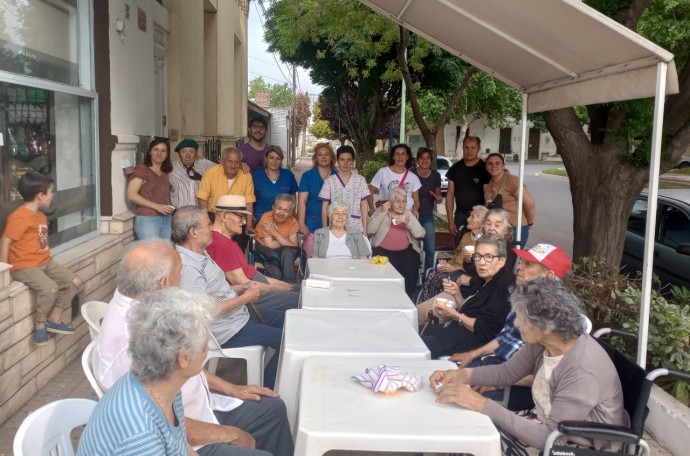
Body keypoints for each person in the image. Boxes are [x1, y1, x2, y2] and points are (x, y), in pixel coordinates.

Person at [91, 239, 293, 456]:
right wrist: (232, 434)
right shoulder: (137, 336)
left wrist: (232, 388)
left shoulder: (146, 309)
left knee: (272, 408)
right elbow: (163, 426)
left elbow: (184, 373)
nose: (183, 280)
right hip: (185, 435)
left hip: (197, 411)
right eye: (181, 272)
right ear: (164, 282)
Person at [431, 279, 628, 453]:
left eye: (520, 318)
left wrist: (480, 403)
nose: (515, 324)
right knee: (459, 426)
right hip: (544, 424)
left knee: (466, 443)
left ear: (546, 326)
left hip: (576, 445)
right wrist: (462, 375)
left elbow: (550, 438)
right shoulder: (544, 342)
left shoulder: (582, 371)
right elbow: (507, 372)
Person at [78, 288, 212, 455]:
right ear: (183, 357)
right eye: (205, 344)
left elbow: (180, 447)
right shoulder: (142, 434)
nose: (208, 349)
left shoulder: (163, 383)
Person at [173, 206, 284, 389]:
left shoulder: (200, 252)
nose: (211, 229)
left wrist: (241, 287)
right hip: (228, 330)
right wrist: (245, 297)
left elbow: (214, 291)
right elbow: (206, 310)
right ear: (193, 232)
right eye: (208, 225)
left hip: (240, 316)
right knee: (285, 339)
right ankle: (273, 389)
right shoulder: (188, 267)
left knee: (291, 320)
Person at [0, 171, 81, 346]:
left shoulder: (41, 216)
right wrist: (5, 272)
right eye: (51, 192)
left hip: (44, 262)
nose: (53, 196)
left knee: (74, 282)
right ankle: (40, 324)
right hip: (24, 265)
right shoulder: (19, 217)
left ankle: (54, 318)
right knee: (50, 288)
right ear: (40, 195)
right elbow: (5, 242)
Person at [207, 194, 299, 326]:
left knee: (302, 289)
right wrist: (275, 288)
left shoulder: (227, 240)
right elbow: (243, 283)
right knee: (303, 299)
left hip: (262, 286)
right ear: (224, 215)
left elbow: (250, 272)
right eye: (241, 217)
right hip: (255, 295)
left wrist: (279, 283)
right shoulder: (220, 244)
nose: (245, 222)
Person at [421, 234, 515, 359]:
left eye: (488, 257)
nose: (481, 262)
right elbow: (470, 312)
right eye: (478, 256)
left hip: (471, 342)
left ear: (501, 261)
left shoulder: (504, 285)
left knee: (416, 344)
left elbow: (484, 329)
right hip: (456, 331)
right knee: (415, 330)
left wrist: (455, 315)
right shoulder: (485, 278)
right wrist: (457, 294)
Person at [417, 205, 487, 303]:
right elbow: (456, 254)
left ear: (482, 223)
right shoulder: (467, 235)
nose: (468, 219)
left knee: (440, 280)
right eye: (469, 216)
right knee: (431, 276)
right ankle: (427, 307)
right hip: (454, 268)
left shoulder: (485, 242)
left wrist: (456, 268)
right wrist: (447, 264)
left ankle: (438, 307)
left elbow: (475, 268)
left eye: (472, 217)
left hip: (465, 272)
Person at [368, 187, 425, 298]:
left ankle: (407, 298)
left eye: (404, 201)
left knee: (410, 271)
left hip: (406, 251)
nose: (401, 205)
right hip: (382, 250)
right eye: (397, 201)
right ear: (390, 202)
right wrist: (383, 213)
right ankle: (383, 298)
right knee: (385, 273)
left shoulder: (407, 214)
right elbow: (370, 230)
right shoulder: (381, 211)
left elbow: (421, 233)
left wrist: (407, 222)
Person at [484, 153, 536, 248]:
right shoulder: (488, 185)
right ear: (486, 167)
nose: (493, 166)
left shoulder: (512, 181)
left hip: (514, 230)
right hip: (497, 230)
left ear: (503, 165)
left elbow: (530, 204)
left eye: (497, 163)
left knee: (511, 261)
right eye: (490, 163)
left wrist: (529, 222)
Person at [197, 147, 256, 230]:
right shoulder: (211, 173)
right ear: (222, 162)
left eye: (236, 162)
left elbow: (249, 202)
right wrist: (207, 221)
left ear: (241, 163)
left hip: (238, 219)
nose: (233, 165)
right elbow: (202, 198)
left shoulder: (246, 176)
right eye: (230, 161)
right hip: (214, 217)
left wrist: (249, 225)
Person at [127, 136, 174, 240]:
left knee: (164, 253)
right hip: (148, 219)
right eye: (155, 149)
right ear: (150, 152)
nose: (159, 153)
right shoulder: (142, 169)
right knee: (151, 253)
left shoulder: (164, 173)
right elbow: (131, 195)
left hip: (166, 219)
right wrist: (157, 206)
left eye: (163, 151)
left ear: (166, 155)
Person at [318, 145, 371, 233]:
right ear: (337, 161)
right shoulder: (330, 181)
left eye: (349, 160)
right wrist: (325, 230)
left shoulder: (360, 180)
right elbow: (324, 207)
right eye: (342, 159)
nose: (345, 163)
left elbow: (364, 204)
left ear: (353, 161)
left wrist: (365, 229)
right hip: (336, 227)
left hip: (356, 227)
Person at [445, 136, 491, 238]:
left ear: (478, 149)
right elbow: (450, 195)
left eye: (473, 148)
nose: (469, 151)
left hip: (480, 216)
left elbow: (488, 195)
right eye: (466, 147)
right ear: (462, 148)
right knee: (460, 248)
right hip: (460, 216)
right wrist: (450, 221)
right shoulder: (455, 168)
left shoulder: (485, 169)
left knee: (479, 248)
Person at [254, 194, 300, 284]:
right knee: (278, 256)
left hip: (285, 252)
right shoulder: (266, 218)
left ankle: (290, 286)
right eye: (279, 209)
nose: (281, 213)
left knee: (287, 251)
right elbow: (270, 245)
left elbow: (294, 245)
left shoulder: (293, 221)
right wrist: (286, 240)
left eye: (286, 211)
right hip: (266, 251)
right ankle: (276, 290)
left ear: (291, 213)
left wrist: (274, 232)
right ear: (273, 207)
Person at [369, 143, 421, 217]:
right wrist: (371, 208)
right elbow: (369, 192)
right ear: (393, 157)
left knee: (418, 229)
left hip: (406, 216)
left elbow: (416, 200)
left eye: (403, 154)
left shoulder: (413, 177)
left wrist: (415, 209)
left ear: (407, 157)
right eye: (397, 154)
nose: (400, 157)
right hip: (386, 215)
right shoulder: (383, 172)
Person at [412, 147, 442, 271]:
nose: (424, 160)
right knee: (411, 247)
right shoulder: (411, 173)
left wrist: (438, 198)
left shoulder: (436, 175)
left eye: (427, 158)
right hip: (411, 216)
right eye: (422, 158)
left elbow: (438, 196)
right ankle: (413, 272)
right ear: (418, 160)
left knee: (429, 249)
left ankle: (429, 275)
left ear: (431, 160)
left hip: (427, 216)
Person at [251, 145, 298, 224]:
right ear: (266, 159)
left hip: (283, 220)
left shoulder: (288, 175)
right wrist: (250, 215)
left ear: (281, 160)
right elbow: (249, 198)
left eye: (278, 158)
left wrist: (292, 213)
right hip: (260, 220)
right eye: (271, 157)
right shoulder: (256, 176)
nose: (274, 161)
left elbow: (293, 197)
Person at [297, 142, 336, 234]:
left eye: (327, 154)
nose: (323, 157)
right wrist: (301, 224)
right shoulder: (307, 176)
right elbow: (302, 201)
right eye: (320, 154)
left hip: (334, 225)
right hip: (311, 225)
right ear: (316, 158)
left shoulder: (337, 176)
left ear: (332, 158)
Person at [169, 138, 215, 208]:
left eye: (191, 151)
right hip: (178, 214)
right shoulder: (171, 168)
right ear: (179, 154)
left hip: (199, 213)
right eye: (183, 152)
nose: (187, 156)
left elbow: (223, 167)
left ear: (196, 153)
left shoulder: (205, 165)